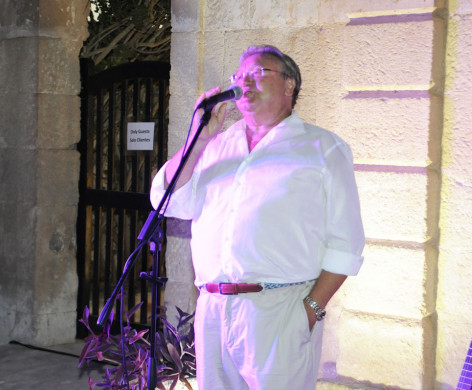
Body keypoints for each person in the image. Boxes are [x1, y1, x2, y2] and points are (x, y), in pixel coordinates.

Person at [150, 44, 365, 390]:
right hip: (212, 311)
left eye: (258, 73)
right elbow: (167, 202)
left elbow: (347, 245)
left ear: (289, 85)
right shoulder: (216, 147)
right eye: (238, 76)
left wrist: (308, 312)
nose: (243, 83)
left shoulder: (323, 148)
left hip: (279, 311)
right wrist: (196, 140)